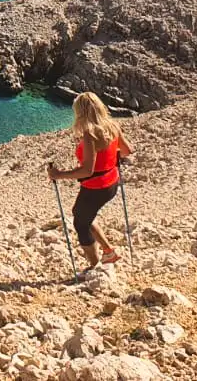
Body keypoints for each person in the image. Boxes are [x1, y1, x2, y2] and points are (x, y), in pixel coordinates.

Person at [49, 92, 132, 271]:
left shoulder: (90, 135)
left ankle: (96, 267)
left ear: (80, 112)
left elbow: (88, 170)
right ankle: (108, 251)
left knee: (81, 224)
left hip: (95, 188)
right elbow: (127, 151)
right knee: (83, 214)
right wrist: (110, 155)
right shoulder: (112, 126)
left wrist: (59, 174)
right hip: (112, 183)